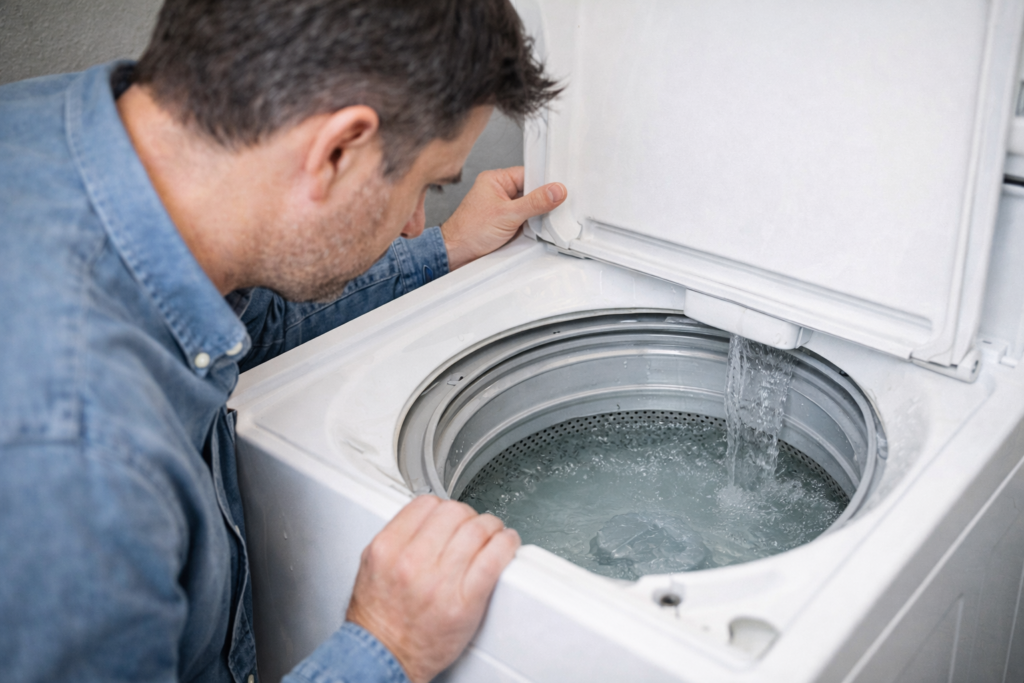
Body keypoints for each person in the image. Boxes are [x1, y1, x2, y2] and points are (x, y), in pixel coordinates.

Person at [0, 1, 567, 682]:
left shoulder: (68, 125)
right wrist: (386, 646)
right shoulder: (76, 457)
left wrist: (443, 250)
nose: (417, 221)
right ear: (336, 150)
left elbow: (240, 314)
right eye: (426, 186)